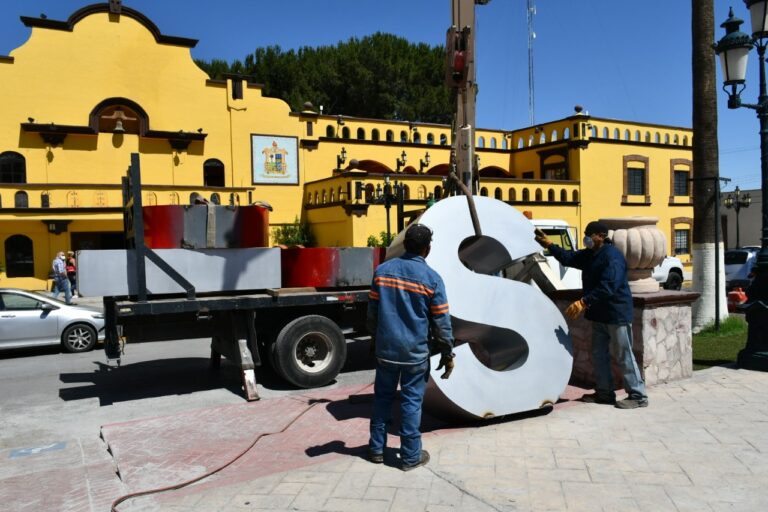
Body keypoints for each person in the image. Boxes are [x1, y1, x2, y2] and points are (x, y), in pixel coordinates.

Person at [367, 223, 455, 470]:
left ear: (405, 244)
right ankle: (409, 457)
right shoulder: (432, 279)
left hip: (385, 351)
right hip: (414, 355)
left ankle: (376, 449)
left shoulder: (382, 272)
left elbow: (372, 314)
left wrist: (374, 340)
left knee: (382, 398)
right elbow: (442, 323)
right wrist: (447, 352)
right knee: (411, 403)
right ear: (427, 249)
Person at [535, 221, 648, 409]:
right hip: (599, 315)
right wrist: (549, 245)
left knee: (623, 355)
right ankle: (604, 393)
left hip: (616, 313)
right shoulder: (591, 255)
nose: (586, 237)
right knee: (598, 355)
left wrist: (584, 301)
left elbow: (609, 286)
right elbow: (569, 258)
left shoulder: (612, 258)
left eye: (589, 234)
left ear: (601, 236)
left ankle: (638, 395)